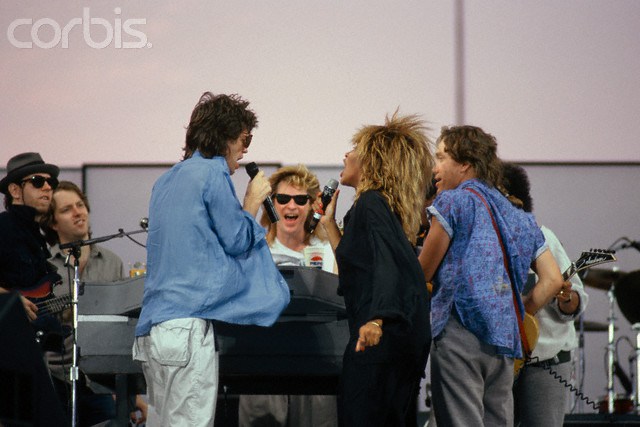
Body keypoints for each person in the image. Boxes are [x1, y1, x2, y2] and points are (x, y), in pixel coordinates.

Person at [132, 92, 290, 426]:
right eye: (245, 139)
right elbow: (236, 240)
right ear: (225, 137)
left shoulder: (165, 180)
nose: (245, 150)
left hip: (154, 332)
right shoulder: (212, 175)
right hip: (187, 330)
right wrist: (252, 201)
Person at [417, 125, 564, 426]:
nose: (435, 168)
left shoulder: (453, 202)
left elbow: (422, 273)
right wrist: (521, 311)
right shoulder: (519, 217)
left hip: (459, 334)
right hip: (505, 340)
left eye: (441, 157)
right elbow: (553, 280)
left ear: (465, 164)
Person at [319, 112, 432, 426]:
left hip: (381, 335)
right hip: (397, 336)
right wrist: (329, 224)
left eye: (354, 149)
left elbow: (387, 263)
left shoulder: (371, 203)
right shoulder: (376, 206)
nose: (346, 154)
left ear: (371, 162)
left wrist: (376, 319)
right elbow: (358, 268)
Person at [41, 180, 149, 426]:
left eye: (80, 205)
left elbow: (121, 328)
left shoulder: (112, 262)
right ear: (53, 223)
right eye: (67, 209)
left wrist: (131, 394)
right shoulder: (43, 265)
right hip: (55, 380)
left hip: (101, 382)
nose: (77, 212)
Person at [238, 164, 338, 427]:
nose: (291, 206)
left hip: (318, 367)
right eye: (282, 198)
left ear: (312, 205)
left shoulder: (328, 250)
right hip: (262, 363)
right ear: (271, 204)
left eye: (300, 200)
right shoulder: (254, 249)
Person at [503, 163, 588, 427]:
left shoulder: (543, 238)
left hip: (546, 358)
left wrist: (566, 299)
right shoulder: (486, 241)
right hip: (503, 359)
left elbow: (577, 299)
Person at [0, 152, 60, 321]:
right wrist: (10, 300)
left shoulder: (36, 234)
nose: (47, 187)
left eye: (51, 182)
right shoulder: (3, 226)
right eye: (37, 181)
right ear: (15, 190)